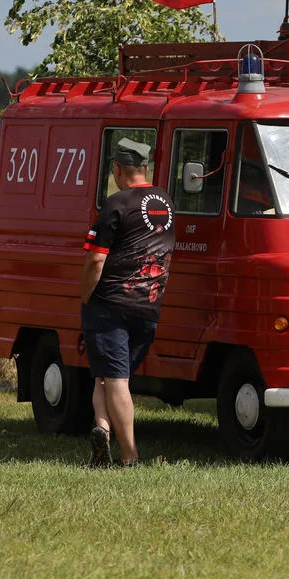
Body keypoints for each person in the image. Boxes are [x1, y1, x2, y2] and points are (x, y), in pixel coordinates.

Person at [80, 138, 175, 468]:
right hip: (149, 305)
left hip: (111, 304)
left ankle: (129, 456)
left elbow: (95, 261)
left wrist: (85, 296)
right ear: (146, 168)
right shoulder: (165, 201)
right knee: (105, 375)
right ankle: (102, 428)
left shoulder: (116, 203)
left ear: (118, 169)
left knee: (114, 379)